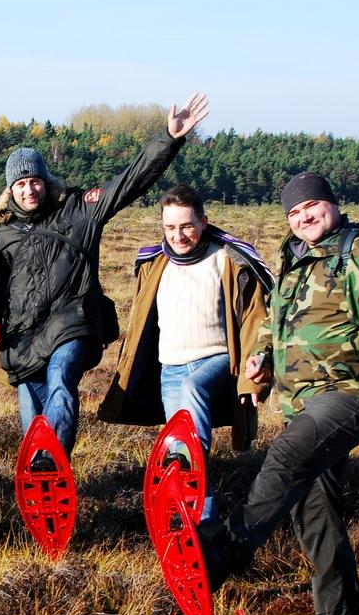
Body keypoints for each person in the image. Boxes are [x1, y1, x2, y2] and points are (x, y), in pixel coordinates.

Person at [200, 172, 359, 615]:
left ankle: (227, 549)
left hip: (350, 391)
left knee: (288, 455)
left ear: (331, 205)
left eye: (311, 206)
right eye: (293, 212)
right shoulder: (293, 260)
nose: (303, 217)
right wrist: (261, 359)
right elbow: (274, 323)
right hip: (301, 401)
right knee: (313, 505)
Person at [0, 92, 209, 464]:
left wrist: (168, 140)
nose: (30, 189)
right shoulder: (0, 235)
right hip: (23, 337)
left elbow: (130, 182)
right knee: (32, 420)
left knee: (61, 376)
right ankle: (45, 484)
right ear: (11, 189)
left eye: (35, 180)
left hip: (72, 324)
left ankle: (50, 457)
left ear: (46, 180)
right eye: (21, 184)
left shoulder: (80, 209)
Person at [98, 185, 272, 523]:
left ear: (203, 222)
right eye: (170, 227)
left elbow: (254, 319)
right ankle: (200, 525)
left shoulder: (229, 260)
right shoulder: (153, 264)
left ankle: (194, 510)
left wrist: (255, 375)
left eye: (187, 226)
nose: (178, 235)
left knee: (188, 437)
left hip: (218, 361)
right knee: (181, 453)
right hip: (170, 370)